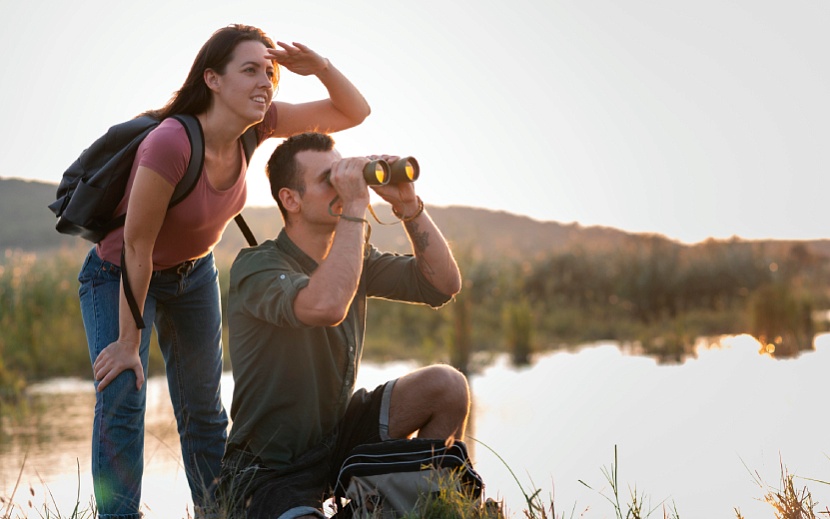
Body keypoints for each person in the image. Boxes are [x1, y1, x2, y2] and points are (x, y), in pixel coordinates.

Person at [77, 24, 370, 518]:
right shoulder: (171, 143)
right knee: (123, 399)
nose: (266, 82)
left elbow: (354, 112)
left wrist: (318, 66)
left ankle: (221, 512)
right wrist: (129, 344)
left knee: (205, 413)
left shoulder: (258, 126)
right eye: (250, 70)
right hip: (120, 274)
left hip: (192, 275)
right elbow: (136, 245)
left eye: (270, 72)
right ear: (212, 79)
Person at [219, 131, 470, 518]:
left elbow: (442, 284)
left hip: (338, 438)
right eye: (328, 180)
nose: (343, 185)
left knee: (447, 386)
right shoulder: (258, 266)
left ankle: (421, 503)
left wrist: (408, 206)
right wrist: (354, 206)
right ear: (291, 199)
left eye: (344, 173)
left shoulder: (356, 257)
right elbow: (326, 305)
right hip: (271, 467)